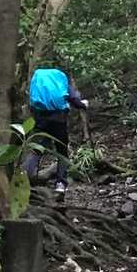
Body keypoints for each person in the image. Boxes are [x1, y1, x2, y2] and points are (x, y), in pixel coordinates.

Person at [24, 65, 88, 198]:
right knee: (62, 151)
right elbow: (74, 99)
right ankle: (60, 185)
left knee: (36, 149)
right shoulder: (61, 79)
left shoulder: (38, 78)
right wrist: (83, 104)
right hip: (59, 119)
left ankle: (24, 178)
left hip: (40, 119)